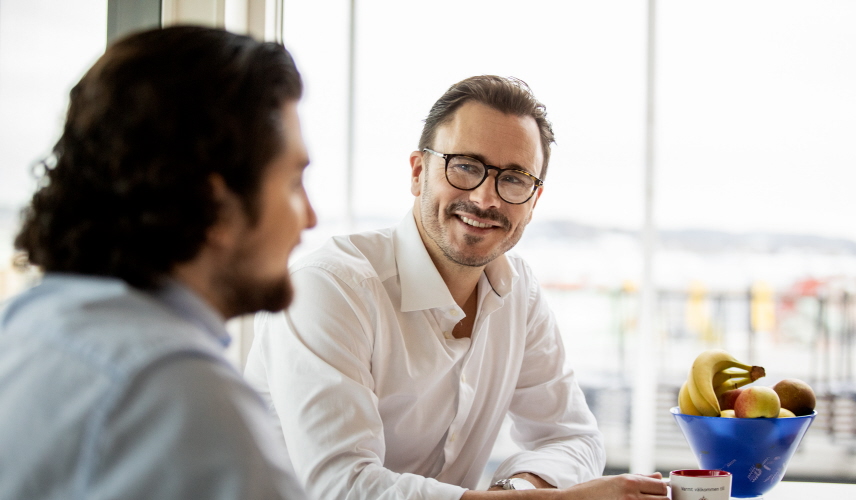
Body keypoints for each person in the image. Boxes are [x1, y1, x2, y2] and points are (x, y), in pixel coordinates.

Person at [244, 75, 668, 499]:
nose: (486, 200)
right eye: (465, 166)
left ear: (534, 201)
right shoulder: (329, 288)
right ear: (418, 172)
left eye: (515, 179)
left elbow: (572, 438)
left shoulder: (519, 293)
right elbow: (342, 487)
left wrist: (516, 490)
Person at [0, 26, 316, 499]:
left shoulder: (26, 327)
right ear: (215, 208)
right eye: (293, 183)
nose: (309, 218)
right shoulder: (180, 395)